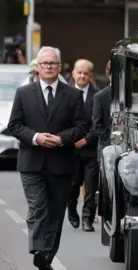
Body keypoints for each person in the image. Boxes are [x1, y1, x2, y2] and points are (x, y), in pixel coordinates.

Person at [7, 46, 86, 270]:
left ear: (60, 67)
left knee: (56, 212)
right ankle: (39, 249)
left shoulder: (73, 94)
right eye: (45, 63)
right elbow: (14, 125)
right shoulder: (24, 93)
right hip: (31, 162)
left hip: (61, 163)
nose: (49, 67)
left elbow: (82, 126)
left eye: (53, 63)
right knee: (38, 208)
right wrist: (36, 137)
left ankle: (47, 256)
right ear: (38, 67)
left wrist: (61, 139)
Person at [67, 59, 99, 232]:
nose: (82, 76)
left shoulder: (98, 95)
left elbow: (100, 123)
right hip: (71, 149)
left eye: (86, 73)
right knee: (73, 185)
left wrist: (87, 139)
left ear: (90, 76)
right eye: (79, 72)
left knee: (91, 186)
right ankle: (72, 210)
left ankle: (88, 218)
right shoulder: (65, 94)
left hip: (91, 149)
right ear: (73, 74)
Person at [92, 60, 112, 157]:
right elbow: (97, 125)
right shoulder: (100, 96)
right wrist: (111, 137)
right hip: (107, 148)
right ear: (109, 74)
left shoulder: (133, 95)